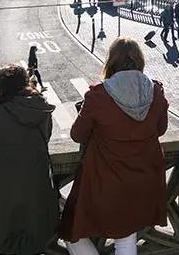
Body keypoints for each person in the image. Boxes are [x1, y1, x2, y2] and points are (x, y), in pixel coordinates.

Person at [58, 37, 169, 255]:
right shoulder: (155, 91)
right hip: (143, 179)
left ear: (111, 62)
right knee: (126, 235)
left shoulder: (98, 95)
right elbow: (161, 129)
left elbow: (77, 135)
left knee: (71, 228)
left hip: (105, 180)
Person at [0, 64, 59, 255]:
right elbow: (45, 138)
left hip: (2, 192)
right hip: (37, 186)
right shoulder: (41, 109)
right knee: (33, 243)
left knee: (2, 243)